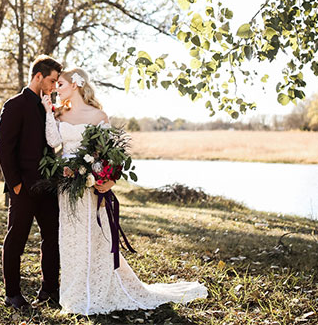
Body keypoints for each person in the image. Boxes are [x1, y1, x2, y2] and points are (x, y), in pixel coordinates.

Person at [41, 68, 208, 315]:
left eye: (61, 83)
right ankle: (74, 294)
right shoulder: (60, 113)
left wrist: (108, 181)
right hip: (67, 186)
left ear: (75, 85)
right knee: (70, 238)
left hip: (90, 185)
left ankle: (95, 290)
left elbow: (111, 154)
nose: (57, 87)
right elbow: (53, 142)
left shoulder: (98, 115)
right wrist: (47, 111)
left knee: (93, 235)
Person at [0, 55, 63, 311]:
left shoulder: (48, 107)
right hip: (23, 187)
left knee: (52, 238)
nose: (55, 86)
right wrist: (15, 185)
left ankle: (49, 290)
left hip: (48, 188)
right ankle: (12, 294)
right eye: (52, 80)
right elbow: (3, 148)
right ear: (38, 77)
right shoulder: (15, 105)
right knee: (17, 239)